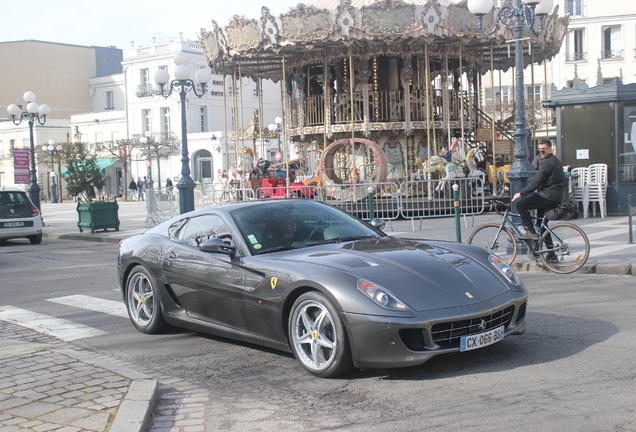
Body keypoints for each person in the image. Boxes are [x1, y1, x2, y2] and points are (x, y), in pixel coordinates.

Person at [512, 138, 565, 241]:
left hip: (547, 195)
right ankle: (550, 254)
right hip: (555, 196)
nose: (541, 151)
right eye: (539, 149)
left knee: (521, 205)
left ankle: (531, 232)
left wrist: (521, 193)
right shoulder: (556, 161)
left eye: (544, 149)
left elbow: (537, 182)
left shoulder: (547, 163)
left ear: (550, 149)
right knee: (542, 226)